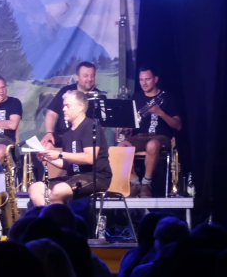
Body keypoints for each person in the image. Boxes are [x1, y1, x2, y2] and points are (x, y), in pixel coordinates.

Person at [29, 89, 111, 206]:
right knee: (36, 188)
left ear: (80, 107)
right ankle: (47, 216)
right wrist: (47, 158)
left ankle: (60, 217)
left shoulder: (90, 126)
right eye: (63, 106)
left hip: (96, 177)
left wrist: (59, 154)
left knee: (59, 190)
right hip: (73, 177)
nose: (63, 109)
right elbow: (67, 163)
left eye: (67, 106)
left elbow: (89, 158)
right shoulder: (67, 133)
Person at [118, 67, 182, 198]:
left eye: (147, 79)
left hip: (161, 137)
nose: (144, 83)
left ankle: (146, 184)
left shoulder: (167, 97)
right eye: (141, 80)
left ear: (155, 79)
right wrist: (126, 128)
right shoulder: (136, 97)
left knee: (152, 144)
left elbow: (178, 126)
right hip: (140, 137)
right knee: (120, 147)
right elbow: (131, 122)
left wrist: (160, 113)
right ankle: (135, 183)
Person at [42, 61, 99, 147]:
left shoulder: (99, 96)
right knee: (45, 148)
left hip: (85, 142)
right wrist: (49, 133)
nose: (90, 79)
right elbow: (52, 113)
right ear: (77, 77)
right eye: (86, 76)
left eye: (92, 76)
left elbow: (102, 125)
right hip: (61, 138)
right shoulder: (65, 91)